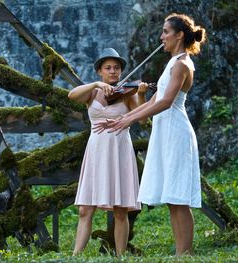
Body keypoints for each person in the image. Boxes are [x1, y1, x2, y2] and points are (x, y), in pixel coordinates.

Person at [94, 14, 206, 255]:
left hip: (176, 130)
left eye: (166, 31)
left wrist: (130, 118)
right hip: (164, 130)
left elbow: (165, 102)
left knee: (178, 196)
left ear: (179, 35)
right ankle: (180, 252)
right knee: (171, 197)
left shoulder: (182, 64)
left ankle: (184, 253)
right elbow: (154, 99)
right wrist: (124, 119)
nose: (161, 36)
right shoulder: (172, 62)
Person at [68, 48, 148, 257]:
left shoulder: (127, 94)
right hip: (96, 151)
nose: (113, 72)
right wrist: (96, 85)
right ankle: (76, 256)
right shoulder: (92, 93)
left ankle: (120, 256)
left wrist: (141, 94)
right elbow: (71, 95)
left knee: (120, 210)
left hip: (119, 149)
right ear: (99, 72)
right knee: (85, 209)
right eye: (108, 68)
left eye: (117, 68)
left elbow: (143, 119)